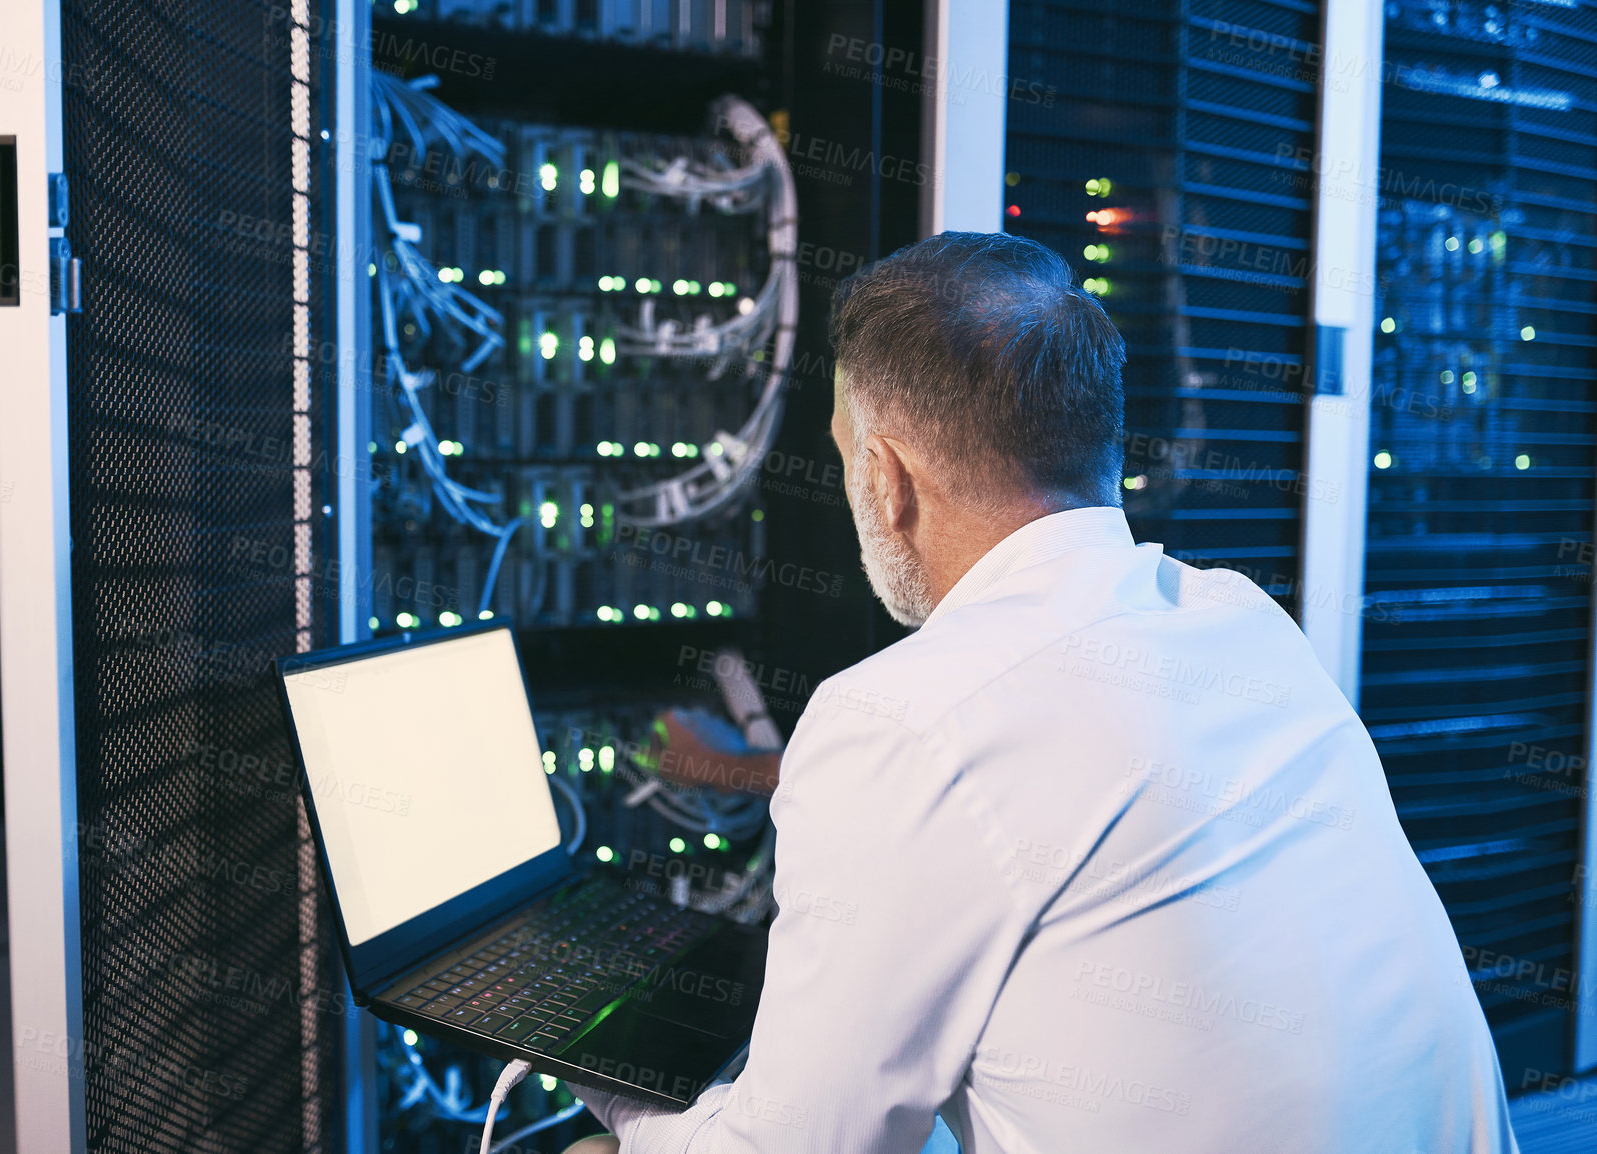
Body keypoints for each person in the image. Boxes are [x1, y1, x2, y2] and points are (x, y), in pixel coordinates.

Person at [564, 231, 1517, 1153]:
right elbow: (1025, 769)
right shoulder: (1237, 617)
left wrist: (607, 1081)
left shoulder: (902, 719)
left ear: (885, 477)